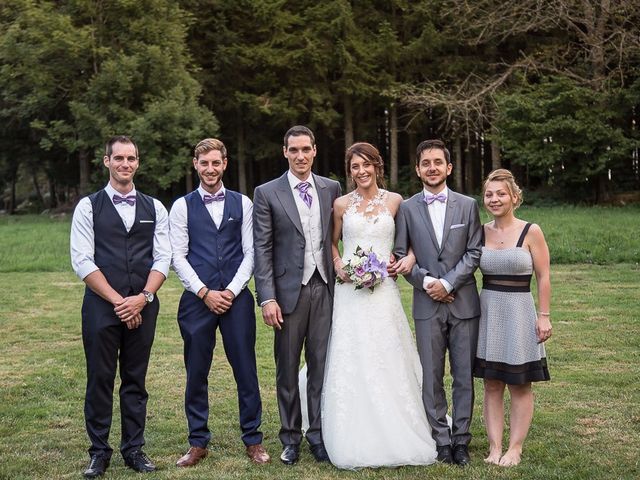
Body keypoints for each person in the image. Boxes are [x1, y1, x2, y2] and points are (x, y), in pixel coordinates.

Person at [322, 142, 438, 469]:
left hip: (384, 288)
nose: (361, 172)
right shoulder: (341, 204)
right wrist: (339, 266)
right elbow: (331, 243)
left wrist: (407, 261)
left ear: (377, 165)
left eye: (366, 165)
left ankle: (402, 425)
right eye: (355, 167)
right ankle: (352, 430)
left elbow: (414, 244)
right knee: (352, 351)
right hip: (350, 292)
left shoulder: (397, 201)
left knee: (388, 352)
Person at [70, 135, 171, 477]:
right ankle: (99, 451)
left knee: (135, 379)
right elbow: (82, 260)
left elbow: (163, 257)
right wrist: (119, 301)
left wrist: (142, 298)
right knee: (100, 378)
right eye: (119, 158)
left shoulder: (155, 207)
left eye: (131, 158)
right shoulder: (88, 206)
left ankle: (134, 449)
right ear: (107, 161)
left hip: (144, 303)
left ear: (137, 163)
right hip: (102, 307)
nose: (125, 164)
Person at [169, 138, 269, 467]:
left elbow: (251, 252)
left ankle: (253, 439)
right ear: (195, 165)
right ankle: (198, 441)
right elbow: (178, 257)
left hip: (235, 299)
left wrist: (232, 290)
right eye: (204, 163)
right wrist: (204, 292)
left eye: (216, 163)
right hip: (197, 301)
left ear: (225, 163)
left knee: (245, 369)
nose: (210, 169)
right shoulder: (182, 206)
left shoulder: (243, 203)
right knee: (196, 371)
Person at [253, 125, 342, 465]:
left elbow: (337, 236)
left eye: (306, 149)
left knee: (320, 365)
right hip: (287, 293)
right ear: (285, 152)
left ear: (315, 151)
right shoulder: (267, 192)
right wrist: (267, 297)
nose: (300, 156)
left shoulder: (331, 188)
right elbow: (262, 248)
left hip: (325, 288)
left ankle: (317, 434)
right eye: (294, 150)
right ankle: (290, 438)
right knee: (287, 368)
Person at [394, 139, 482, 466]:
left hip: (463, 304)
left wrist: (448, 282)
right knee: (431, 376)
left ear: (449, 167)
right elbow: (401, 256)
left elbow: (474, 252)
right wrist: (429, 282)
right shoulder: (406, 207)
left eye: (437, 162)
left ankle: (461, 440)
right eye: (425, 163)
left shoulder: (468, 205)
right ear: (418, 169)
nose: (432, 167)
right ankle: (440, 439)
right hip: (426, 304)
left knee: (463, 375)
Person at [473, 169, 551, 467]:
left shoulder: (531, 231)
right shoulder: (480, 231)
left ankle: (515, 447)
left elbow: (544, 277)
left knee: (519, 384)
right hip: (489, 311)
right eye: (489, 194)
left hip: (520, 311)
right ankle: (494, 447)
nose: (494, 199)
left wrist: (543, 316)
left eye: (501, 194)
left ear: (514, 197)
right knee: (492, 383)